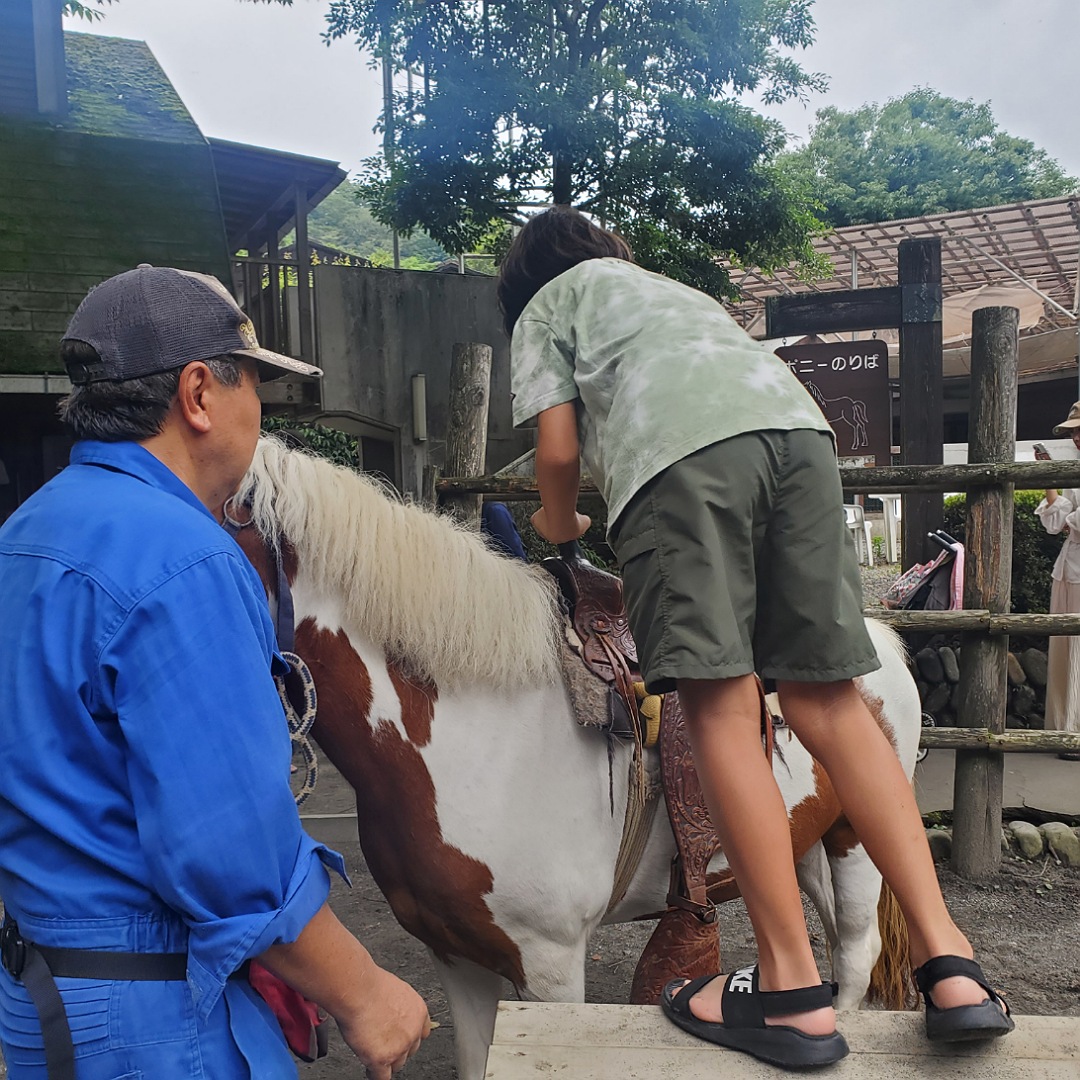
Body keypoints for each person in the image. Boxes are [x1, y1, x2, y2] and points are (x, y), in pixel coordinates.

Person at [498, 208, 1013, 1070]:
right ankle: (951, 961)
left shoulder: (549, 305)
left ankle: (788, 989)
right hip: (801, 440)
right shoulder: (673, 293)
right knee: (832, 702)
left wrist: (562, 524)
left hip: (679, 465)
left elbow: (555, 450)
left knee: (724, 711)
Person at [0, 266, 431, 1080]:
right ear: (199, 394)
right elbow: (233, 853)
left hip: (39, 1001)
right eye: (256, 386)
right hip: (158, 1023)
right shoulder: (183, 558)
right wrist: (366, 993)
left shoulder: (25, 532)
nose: (260, 414)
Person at [1034, 408, 1080, 759]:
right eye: (1073, 432)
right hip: (1068, 567)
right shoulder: (1072, 470)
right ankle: (1064, 728)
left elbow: (1070, 520)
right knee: (1065, 646)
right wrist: (1048, 478)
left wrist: (1069, 520)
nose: (1076, 437)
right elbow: (1057, 522)